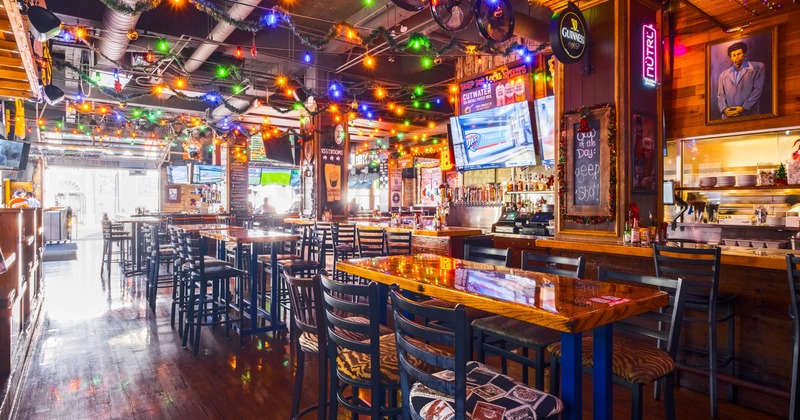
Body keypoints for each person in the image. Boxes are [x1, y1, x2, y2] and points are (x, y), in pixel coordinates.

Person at [717, 41, 765, 119]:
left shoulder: (757, 67)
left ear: (744, 54)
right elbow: (721, 95)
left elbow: (758, 90)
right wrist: (725, 110)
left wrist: (744, 108)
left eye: (739, 54)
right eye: (734, 55)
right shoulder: (723, 75)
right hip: (728, 117)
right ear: (731, 58)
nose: (737, 57)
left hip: (749, 115)